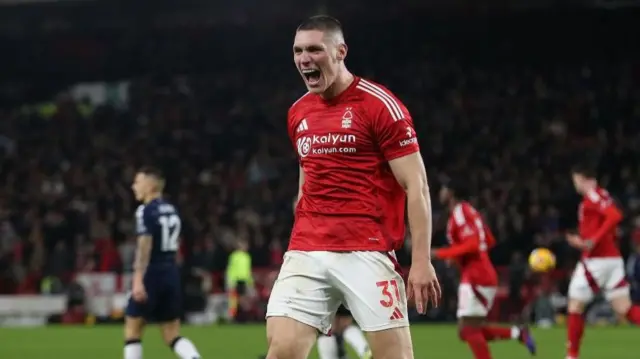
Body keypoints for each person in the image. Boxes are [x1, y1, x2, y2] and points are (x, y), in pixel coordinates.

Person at [264, 15, 441, 359]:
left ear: (340, 51)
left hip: (367, 250)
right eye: (298, 51)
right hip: (308, 249)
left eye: (315, 49)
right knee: (282, 351)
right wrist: (295, 239)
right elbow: (307, 178)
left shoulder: (380, 106)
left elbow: (416, 185)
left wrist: (421, 260)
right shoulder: (298, 112)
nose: (305, 59)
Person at [433, 179, 536, 359]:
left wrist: (443, 253)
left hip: (475, 276)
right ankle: (518, 333)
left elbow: (473, 243)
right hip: (482, 272)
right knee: (468, 330)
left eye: (443, 189)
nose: (440, 192)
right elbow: (488, 240)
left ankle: (515, 336)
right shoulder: (470, 211)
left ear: (451, 193)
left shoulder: (460, 213)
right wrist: (458, 255)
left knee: (468, 330)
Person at [124, 167, 202, 359]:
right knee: (172, 334)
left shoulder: (145, 211)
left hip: (152, 273)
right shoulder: (172, 210)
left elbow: (144, 247)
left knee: (132, 330)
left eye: (138, 182)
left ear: (150, 185)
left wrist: (138, 279)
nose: (134, 186)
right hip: (170, 273)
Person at [565, 163, 640, 359]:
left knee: (575, 305)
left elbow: (615, 216)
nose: (576, 185)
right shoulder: (602, 195)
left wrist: (591, 241)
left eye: (576, 181)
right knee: (624, 308)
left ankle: (572, 355)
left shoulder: (594, 195)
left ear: (583, 178)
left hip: (597, 261)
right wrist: (583, 241)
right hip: (612, 260)